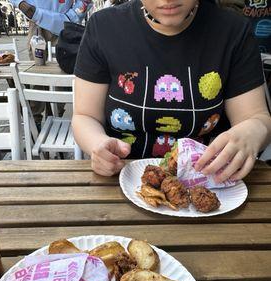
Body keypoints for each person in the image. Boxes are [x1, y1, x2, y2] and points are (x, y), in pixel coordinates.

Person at [72, 0, 271, 181]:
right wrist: (97, 144)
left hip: (209, 180)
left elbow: (256, 117)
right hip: (122, 178)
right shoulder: (104, 28)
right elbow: (85, 116)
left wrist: (254, 131)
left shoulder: (233, 32)